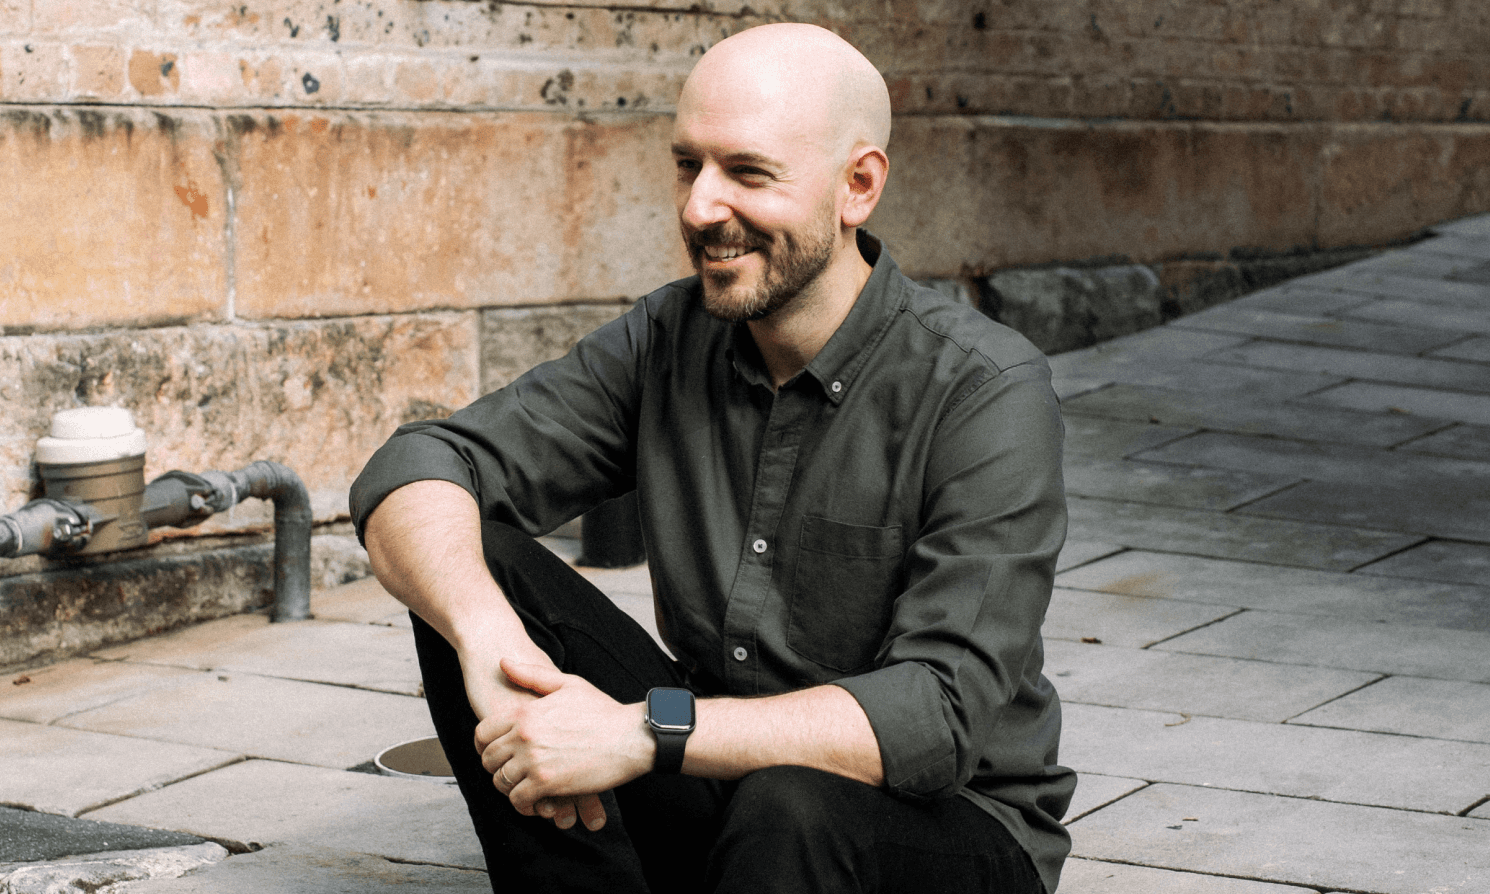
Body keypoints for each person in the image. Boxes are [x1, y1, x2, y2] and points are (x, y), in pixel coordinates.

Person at [350, 22, 1075, 894]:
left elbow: (937, 715)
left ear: (858, 187)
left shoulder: (985, 389)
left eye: (747, 172)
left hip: (938, 832)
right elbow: (418, 465)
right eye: (688, 165)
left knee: (792, 806)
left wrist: (638, 733)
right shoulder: (668, 336)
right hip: (721, 784)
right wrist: (491, 648)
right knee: (477, 568)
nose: (700, 207)